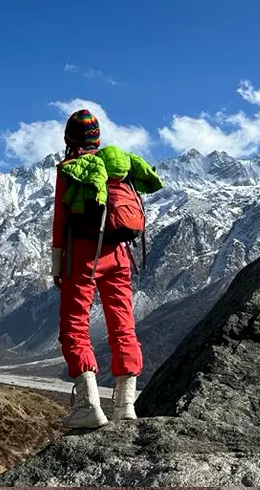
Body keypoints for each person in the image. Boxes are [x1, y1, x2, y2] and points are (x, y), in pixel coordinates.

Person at [50, 109, 163, 429]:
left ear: (69, 139)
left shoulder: (70, 169)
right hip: (120, 255)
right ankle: (126, 405)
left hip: (83, 256)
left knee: (74, 326)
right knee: (123, 326)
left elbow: (61, 221)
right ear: (97, 139)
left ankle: (88, 407)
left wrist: (58, 265)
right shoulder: (118, 165)